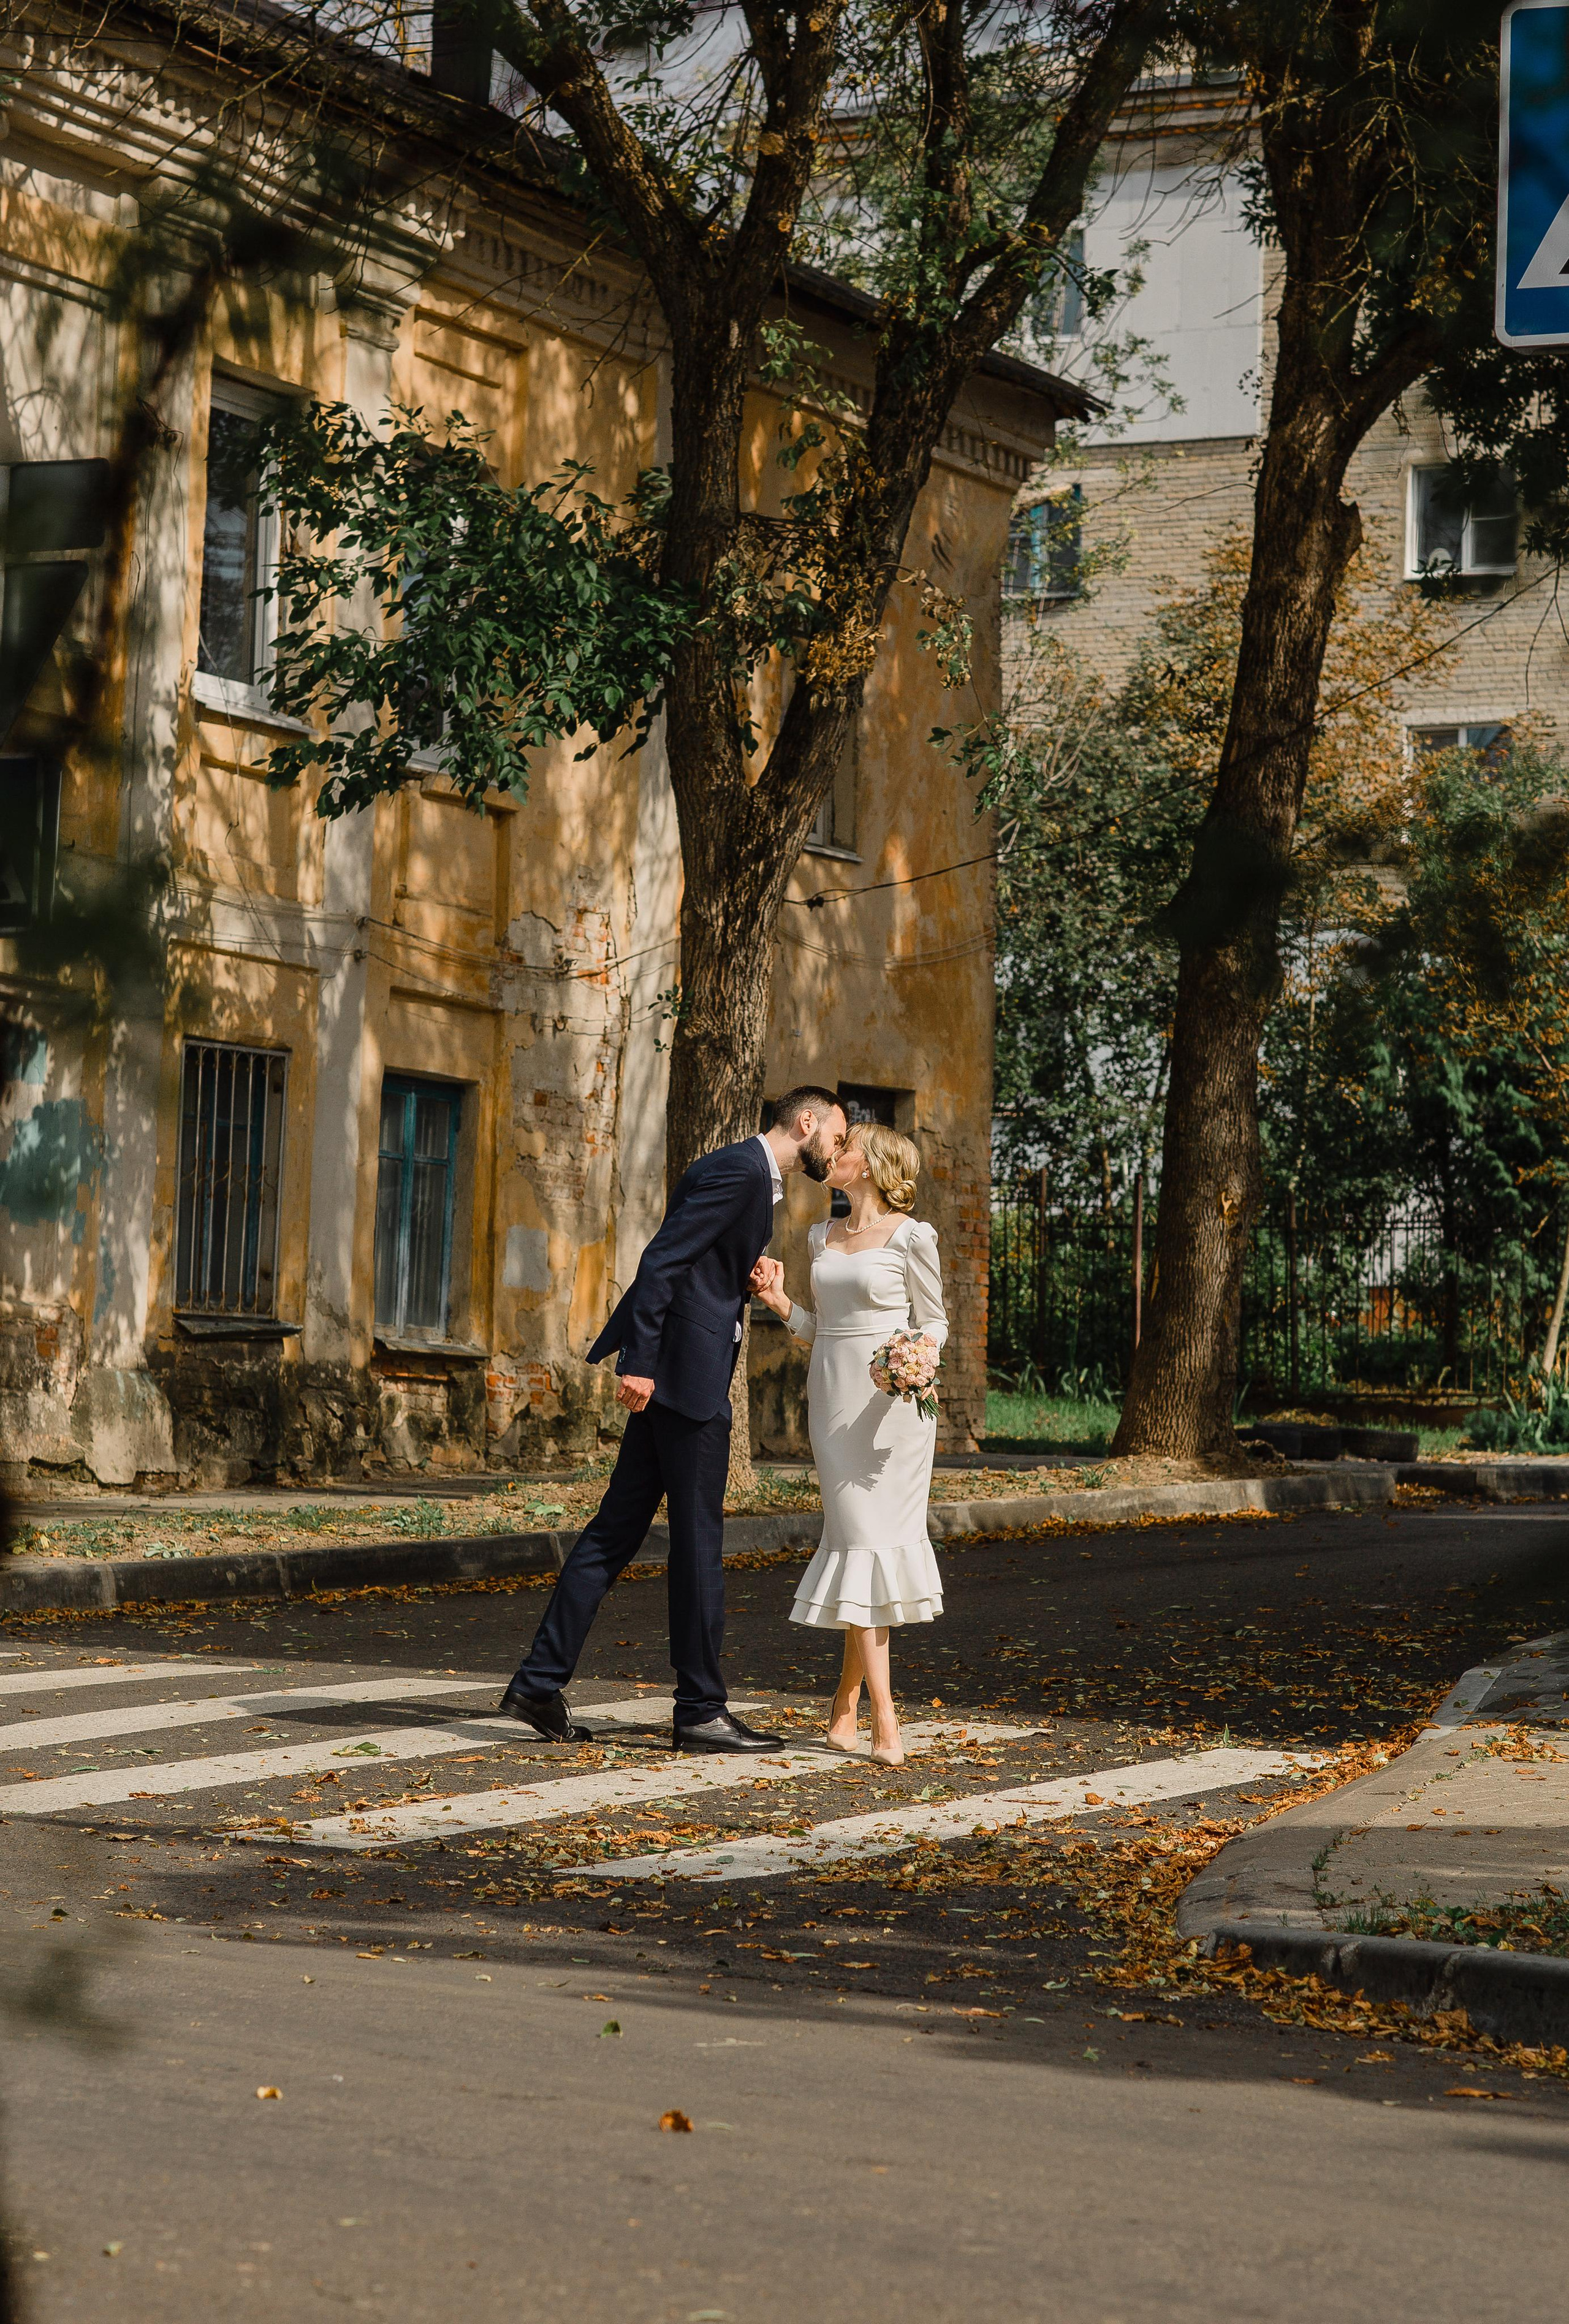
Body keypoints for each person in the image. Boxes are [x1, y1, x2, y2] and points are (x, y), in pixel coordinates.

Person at [496, 1086, 849, 1752]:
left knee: (613, 1533)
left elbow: (695, 1262)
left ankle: (538, 1683)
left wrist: (741, 1275)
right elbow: (662, 1258)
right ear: (807, 1121)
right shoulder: (742, 1171)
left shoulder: (746, 1173)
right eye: (836, 1135)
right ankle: (700, 1709)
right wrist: (640, 1360)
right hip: (686, 1383)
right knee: (697, 1546)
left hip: (680, 1375)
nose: (836, 1149)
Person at [752, 1122, 947, 1766]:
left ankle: (873, 1714)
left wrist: (914, 1358)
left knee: (870, 1550)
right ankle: (851, 1707)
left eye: (846, 1145)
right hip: (834, 1402)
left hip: (893, 1409)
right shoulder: (820, 1236)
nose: (833, 1153)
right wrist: (780, 1302)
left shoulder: (912, 1235)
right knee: (858, 1544)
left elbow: (935, 1321)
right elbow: (822, 1328)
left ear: (870, 1165)